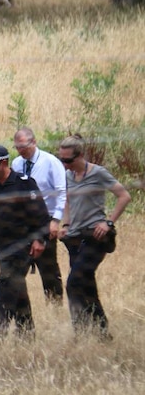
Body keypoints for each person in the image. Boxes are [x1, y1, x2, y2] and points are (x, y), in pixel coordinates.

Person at [0, 144, 50, 338]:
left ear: (4, 163)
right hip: (3, 248)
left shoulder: (25, 184)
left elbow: (41, 215)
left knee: (6, 283)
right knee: (17, 287)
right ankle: (26, 332)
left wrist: (40, 240)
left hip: (24, 247)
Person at [57, 134, 131, 340]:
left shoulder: (98, 173)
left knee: (73, 282)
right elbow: (67, 202)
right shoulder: (68, 177)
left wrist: (108, 222)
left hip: (95, 238)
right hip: (74, 238)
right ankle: (101, 332)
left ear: (80, 156)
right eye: (61, 159)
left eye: (68, 160)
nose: (65, 164)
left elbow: (124, 196)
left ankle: (80, 331)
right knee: (87, 284)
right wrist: (66, 224)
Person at [11, 127, 67, 304]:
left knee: (48, 265)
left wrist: (56, 221)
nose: (21, 151)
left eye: (24, 146)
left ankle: (54, 304)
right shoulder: (16, 164)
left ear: (34, 142)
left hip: (46, 218)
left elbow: (61, 192)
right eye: (17, 147)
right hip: (23, 222)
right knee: (18, 266)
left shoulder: (51, 162)